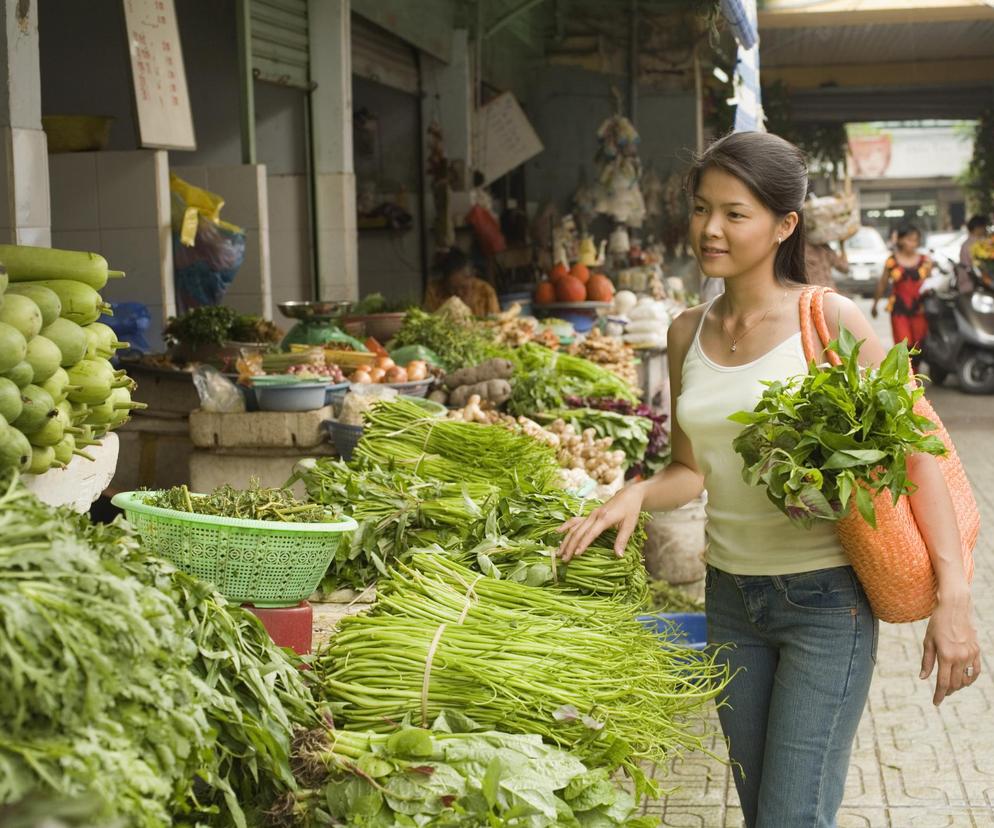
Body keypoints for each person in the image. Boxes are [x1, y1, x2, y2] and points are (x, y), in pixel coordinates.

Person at [557, 132, 980, 828]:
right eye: (700, 209)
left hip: (826, 604)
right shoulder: (685, 331)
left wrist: (955, 599)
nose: (710, 229)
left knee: (790, 818)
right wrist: (635, 491)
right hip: (728, 601)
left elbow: (918, 453)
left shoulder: (829, 319)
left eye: (734, 212)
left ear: (784, 225)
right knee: (767, 815)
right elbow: (689, 471)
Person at [871, 224, 931, 368]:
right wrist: (875, 304)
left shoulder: (925, 260)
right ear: (901, 240)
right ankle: (907, 380)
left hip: (919, 308)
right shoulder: (892, 261)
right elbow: (882, 283)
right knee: (904, 345)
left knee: (919, 345)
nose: (913, 243)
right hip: (899, 308)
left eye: (916, 240)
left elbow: (932, 283)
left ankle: (915, 378)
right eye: (909, 239)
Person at [423, 248, 500, 317]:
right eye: (453, 289)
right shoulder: (434, 292)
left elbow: (495, 322)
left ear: (472, 277)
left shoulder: (485, 292)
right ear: (444, 282)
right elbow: (429, 321)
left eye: (463, 287)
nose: (459, 293)